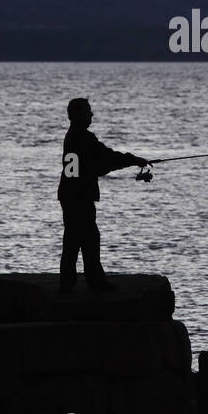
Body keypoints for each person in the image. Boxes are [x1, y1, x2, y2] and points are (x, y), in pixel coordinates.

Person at [57, 98, 149, 294]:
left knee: (76, 239)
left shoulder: (72, 136)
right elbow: (107, 159)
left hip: (70, 195)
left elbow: (98, 164)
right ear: (78, 115)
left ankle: (74, 283)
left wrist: (126, 162)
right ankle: (88, 283)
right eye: (88, 111)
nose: (91, 115)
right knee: (84, 240)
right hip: (79, 197)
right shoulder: (84, 138)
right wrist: (134, 160)